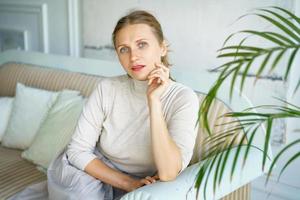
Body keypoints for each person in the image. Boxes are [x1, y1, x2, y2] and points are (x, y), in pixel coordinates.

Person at [11, 10, 199, 200]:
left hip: (143, 185)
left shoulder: (183, 98)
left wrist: (154, 101)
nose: (133, 57)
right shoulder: (107, 88)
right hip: (90, 172)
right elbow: (77, 151)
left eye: (142, 45)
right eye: (124, 49)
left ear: (162, 48)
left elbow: (168, 173)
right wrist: (128, 183)